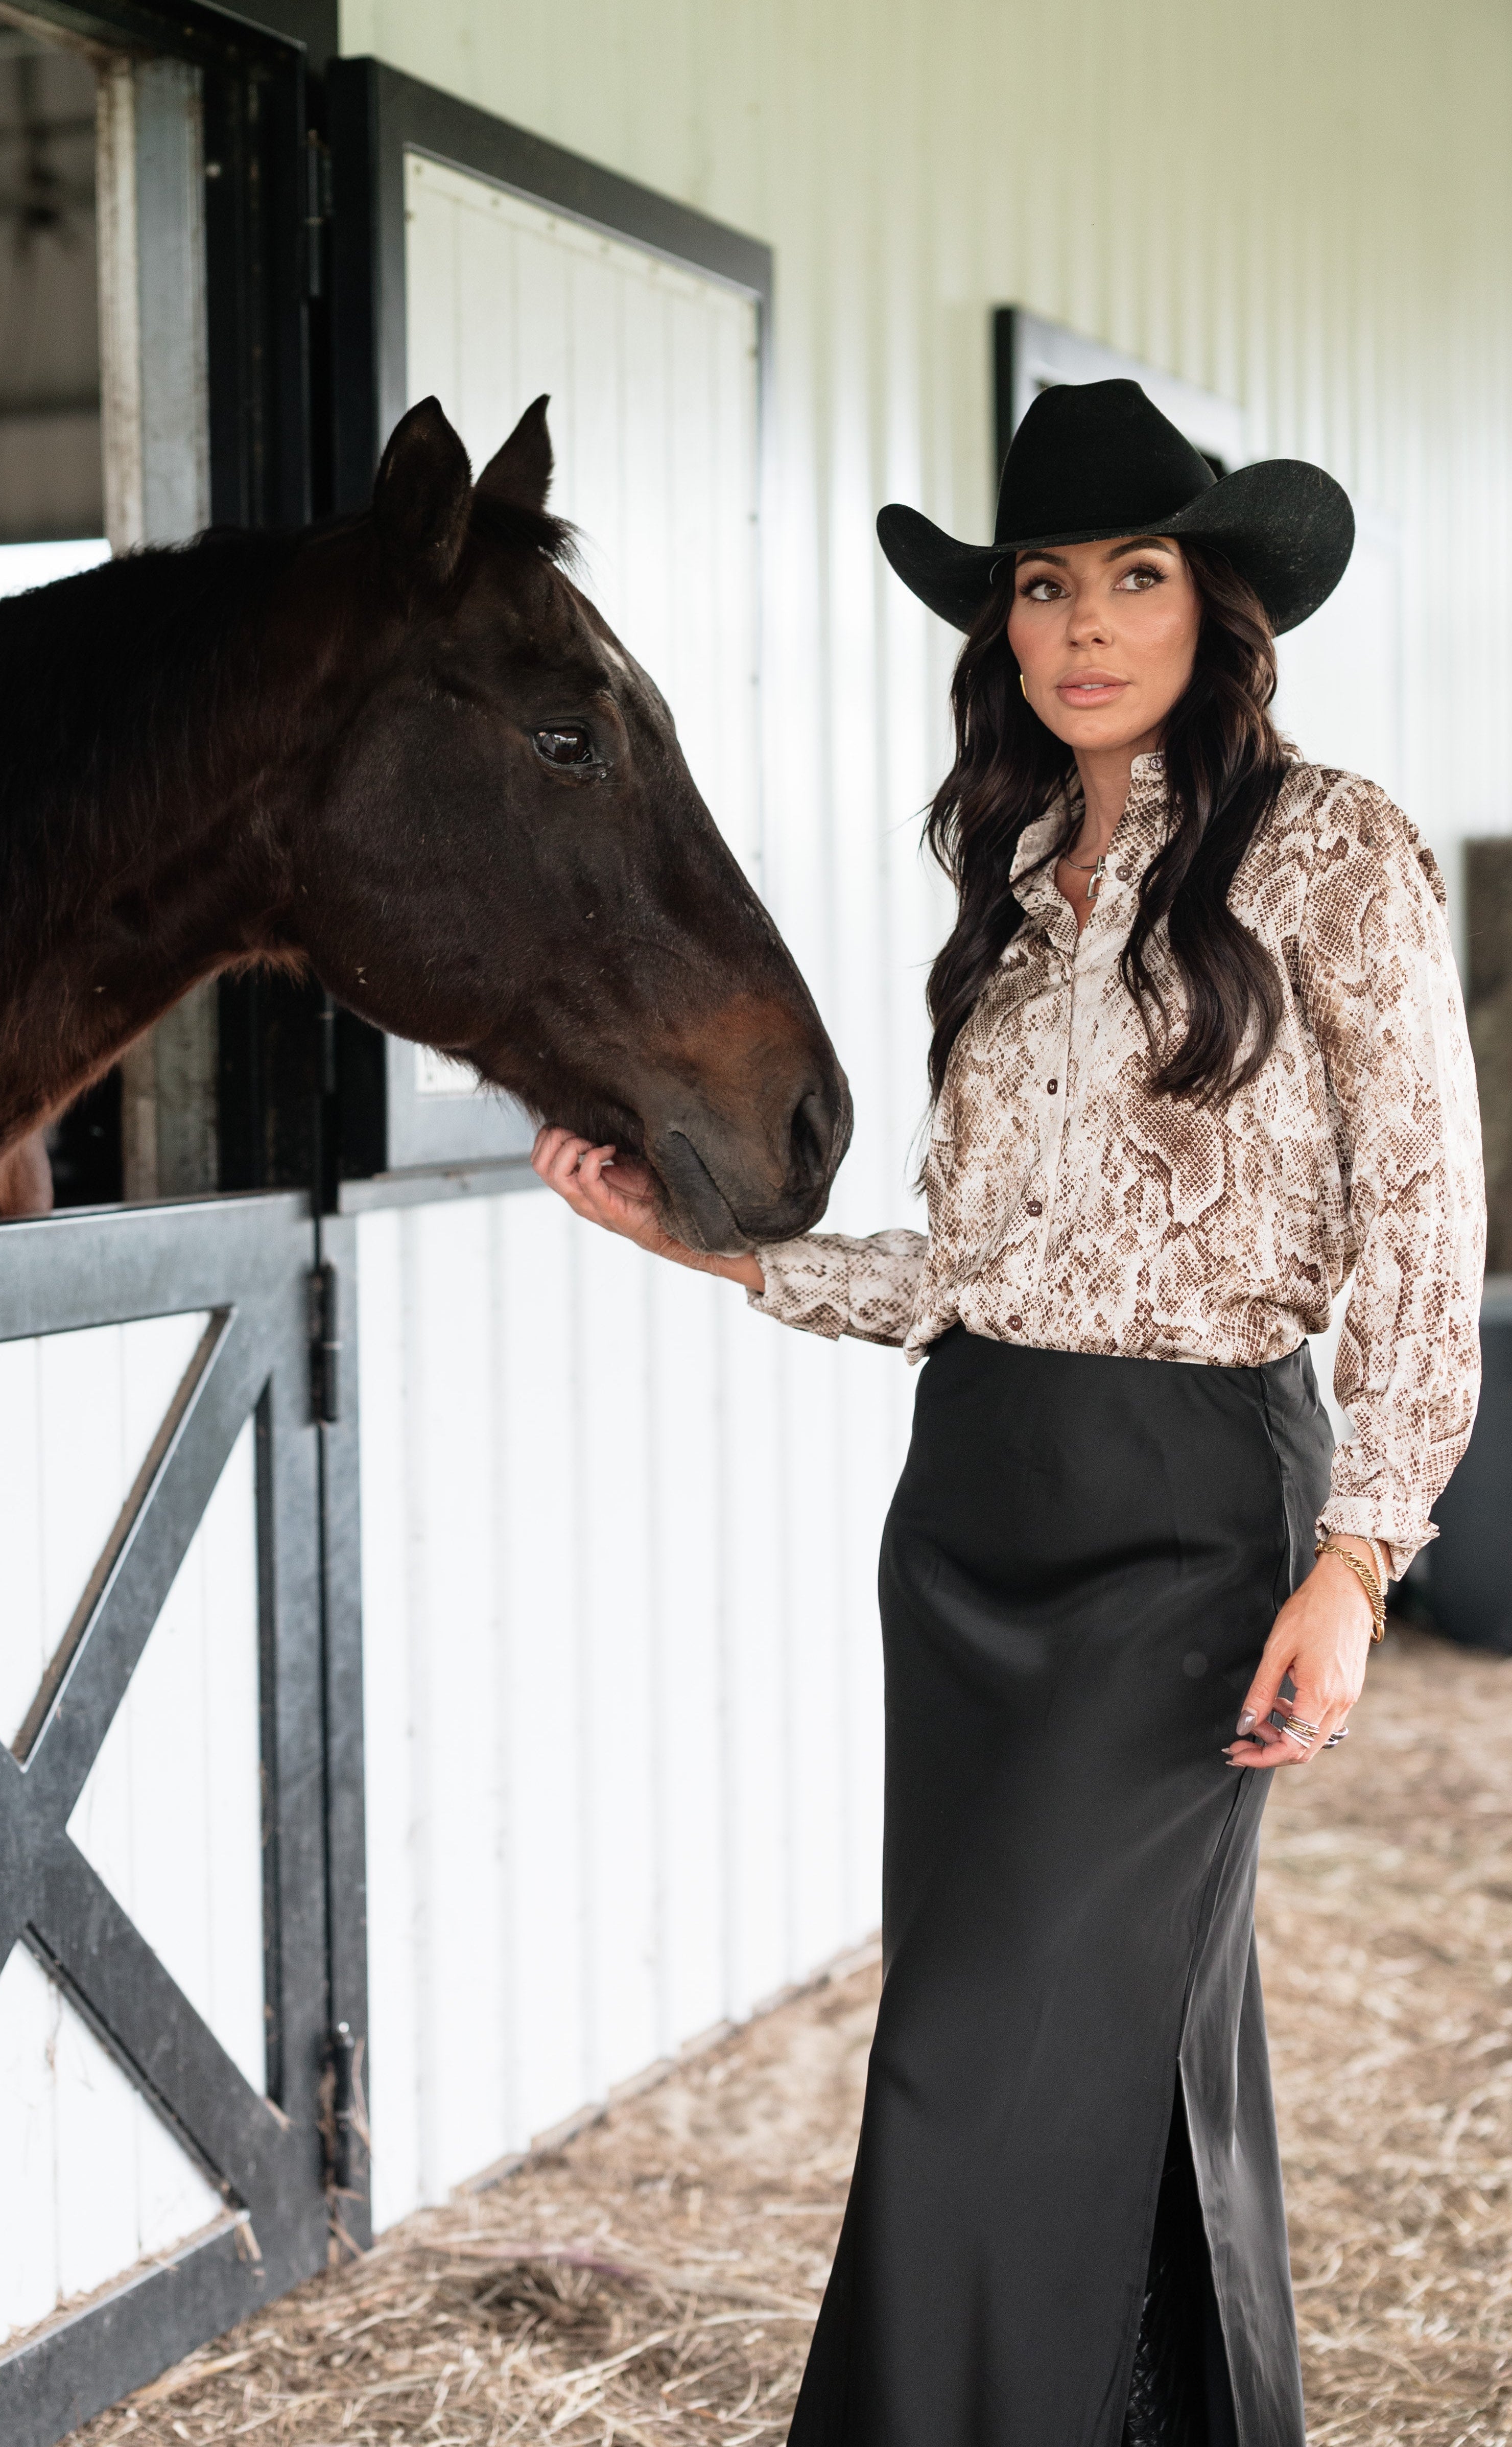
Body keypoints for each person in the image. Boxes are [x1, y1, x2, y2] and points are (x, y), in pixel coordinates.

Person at [532, 379, 1486, 2447]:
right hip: (967, 1513)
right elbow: (969, 1270)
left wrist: (1362, 1547)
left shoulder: (1329, 846)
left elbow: (1423, 1209)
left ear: (1211, 603)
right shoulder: (1005, 856)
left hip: (1189, 1522)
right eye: (1044, 585)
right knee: (1108, 2044)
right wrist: (700, 1243)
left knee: (968, 2061)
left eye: (1131, 575)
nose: (1079, 623)